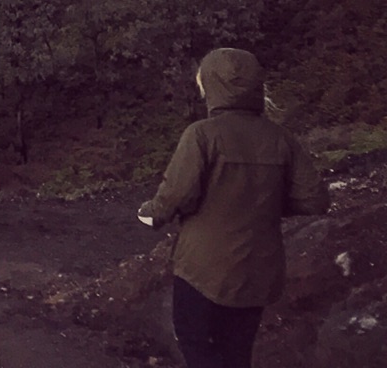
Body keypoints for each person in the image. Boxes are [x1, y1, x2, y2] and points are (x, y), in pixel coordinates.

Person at [137, 47, 326, 368]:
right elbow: (315, 199)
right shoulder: (281, 138)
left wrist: (151, 213)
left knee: (195, 341)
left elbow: (176, 194)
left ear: (210, 85)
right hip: (258, 270)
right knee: (238, 353)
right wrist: (265, 203)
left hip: (203, 268)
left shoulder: (202, 135)